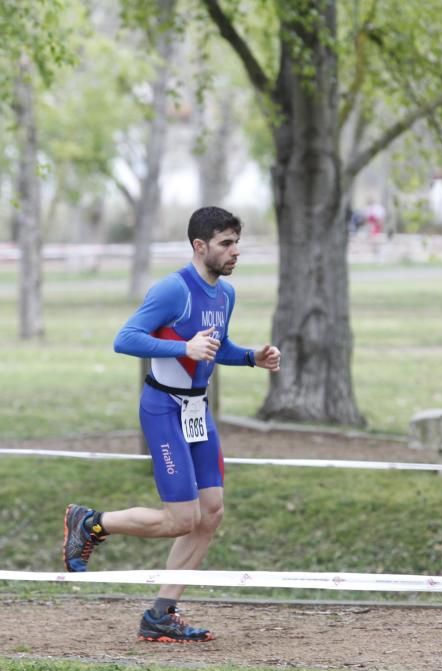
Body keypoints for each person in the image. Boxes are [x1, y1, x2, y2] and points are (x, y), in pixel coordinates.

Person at [63, 206, 281, 643]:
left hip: (198, 412)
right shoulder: (172, 290)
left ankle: (161, 612)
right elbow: (125, 339)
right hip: (164, 410)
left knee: (211, 513)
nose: (235, 251)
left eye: (237, 242)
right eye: (226, 243)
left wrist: (250, 358)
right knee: (183, 518)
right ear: (200, 247)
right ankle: (91, 522)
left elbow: (212, 348)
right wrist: (184, 345)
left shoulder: (225, 295)